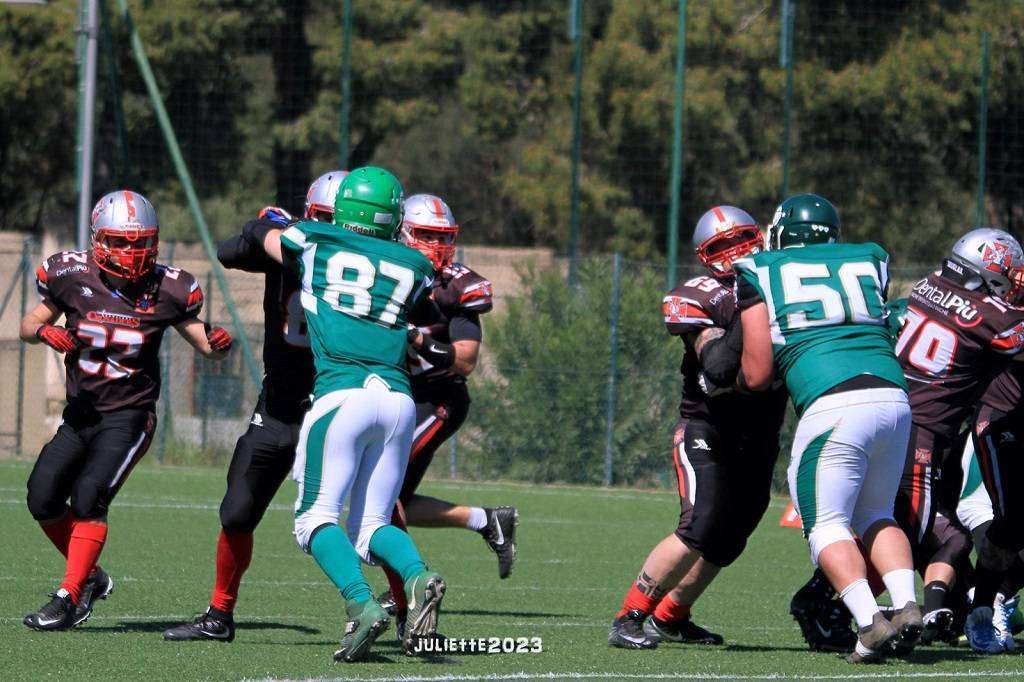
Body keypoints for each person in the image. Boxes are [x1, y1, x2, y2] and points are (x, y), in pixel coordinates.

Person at [253, 166, 443, 662]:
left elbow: (267, 239)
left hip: (342, 394)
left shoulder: (314, 238)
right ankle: (417, 575)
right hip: (398, 400)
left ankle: (361, 604)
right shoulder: (416, 264)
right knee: (372, 524)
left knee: (312, 519)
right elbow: (415, 304)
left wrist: (267, 222)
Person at [21, 190, 232, 630]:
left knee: (88, 496)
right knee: (42, 497)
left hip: (129, 416)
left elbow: (203, 342)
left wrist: (217, 344)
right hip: (81, 413)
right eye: (119, 242)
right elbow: (28, 323)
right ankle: (92, 577)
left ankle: (69, 596)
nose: (130, 252)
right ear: (98, 239)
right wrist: (43, 332)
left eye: (140, 243)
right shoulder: (70, 274)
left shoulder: (169, 287)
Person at [735, 193, 921, 663]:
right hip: (892, 395)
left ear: (783, 233)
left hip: (832, 402)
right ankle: (906, 604)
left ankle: (869, 622)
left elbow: (756, 374)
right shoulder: (869, 256)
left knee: (826, 524)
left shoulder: (758, 268)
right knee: (877, 513)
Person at [164, 170, 347, 642]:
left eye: (338, 222)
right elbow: (229, 251)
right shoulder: (290, 248)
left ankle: (404, 608)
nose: (329, 231)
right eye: (322, 220)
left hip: (341, 405)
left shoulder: (372, 267)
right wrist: (270, 231)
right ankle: (219, 613)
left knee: (374, 511)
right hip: (282, 404)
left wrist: (266, 226)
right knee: (238, 509)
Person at [607, 206, 796, 649]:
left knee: (732, 536)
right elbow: (718, 364)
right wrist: (755, 300)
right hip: (707, 429)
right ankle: (628, 616)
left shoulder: (789, 286)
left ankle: (671, 617)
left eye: (742, 240)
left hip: (759, 436)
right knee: (700, 522)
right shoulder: (700, 296)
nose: (736, 252)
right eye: (722, 246)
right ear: (705, 256)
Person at [375, 193, 516, 631]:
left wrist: (416, 339)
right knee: (395, 500)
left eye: (443, 237)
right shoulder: (380, 268)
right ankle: (487, 520)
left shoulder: (456, 286)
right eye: (426, 235)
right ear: (402, 233)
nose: (437, 246)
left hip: (436, 400)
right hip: (394, 395)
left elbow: (465, 361)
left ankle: (405, 585)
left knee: (380, 494)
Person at [889, 228, 1024, 653]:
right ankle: (974, 607)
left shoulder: (929, 284)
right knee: (917, 529)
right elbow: (1007, 332)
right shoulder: (993, 315)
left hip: (902, 416)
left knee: (914, 526)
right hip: (959, 426)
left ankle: (958, 604)